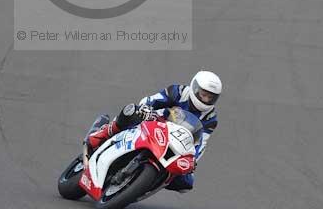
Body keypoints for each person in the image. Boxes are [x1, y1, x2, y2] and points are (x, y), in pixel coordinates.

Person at [86, 70, 222, 193]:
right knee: (132, 111)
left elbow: (201, 143)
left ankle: (145, 185)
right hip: (156, 122)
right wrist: (146, 108)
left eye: (211, 97)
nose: (206, 99)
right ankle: (102, 134)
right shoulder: (178, 92)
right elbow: (152, 100)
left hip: (176, 142)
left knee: (186, 183)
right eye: (204, 94)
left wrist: (193, 160)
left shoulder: (210, 119)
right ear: (195, 88)